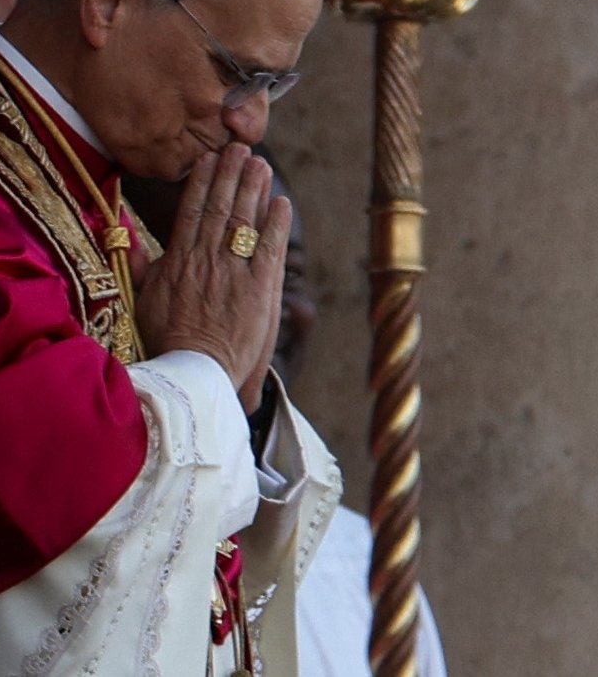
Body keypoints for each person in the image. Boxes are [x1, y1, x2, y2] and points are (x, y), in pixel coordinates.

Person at [0, 0, 342, 677]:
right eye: (235, 72)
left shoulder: (106, 198)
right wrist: (202, 368)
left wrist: (237, 393)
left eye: (276, 82)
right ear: (110, 1)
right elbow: (0, 482)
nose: (251, 120)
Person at [125, 149, 449, 677]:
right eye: (217, 269)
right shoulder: (104, 546)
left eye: (284, 273)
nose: (256, 307)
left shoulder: (360, 559)